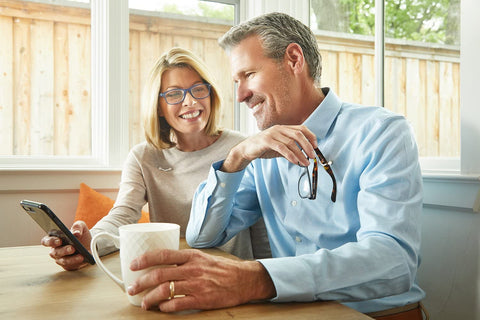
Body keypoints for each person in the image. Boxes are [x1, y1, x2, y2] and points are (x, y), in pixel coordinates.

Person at [126, 12, 426, 319]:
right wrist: (235, 159)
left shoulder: (381, 133)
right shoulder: (261, 154)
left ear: (294, 60)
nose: (240, 94)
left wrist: (255, 279)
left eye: (249, 75)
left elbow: (393, 261)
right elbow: (203, 237)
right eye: (236, 81)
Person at [41, 47, 271, 271]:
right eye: (173, 94)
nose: (190, 101)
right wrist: (89, 243)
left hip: (231, 277)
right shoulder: (144, 157)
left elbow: (261, 228)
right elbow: (124, 214)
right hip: (169, 273)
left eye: (198, 89)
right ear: (158, 107)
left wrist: (266, 284)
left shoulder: (242, 148)